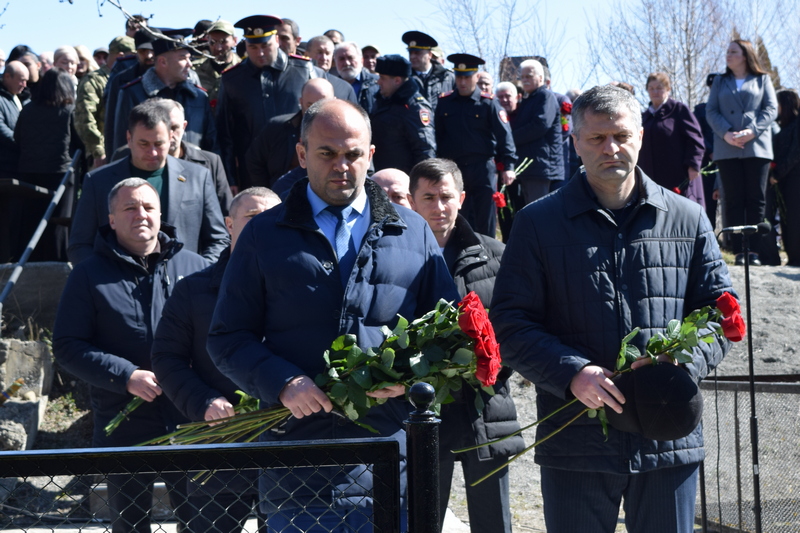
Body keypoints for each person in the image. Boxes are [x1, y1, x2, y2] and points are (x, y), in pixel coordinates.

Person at [490, 84, 735, 533]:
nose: (611, 148)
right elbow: (510, 322)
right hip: (576, 440)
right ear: (575, 142)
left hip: (667, 435)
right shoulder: (537, 223)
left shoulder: (688, 218)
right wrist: (572, 373)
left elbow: (722, 313)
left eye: (621, 136)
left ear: (639, 137)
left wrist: (682, 362)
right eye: (597, 138)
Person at [207, 99, 458, 532]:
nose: (341, 165)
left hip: (391, 461)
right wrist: (283, 382)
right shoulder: (264, 234)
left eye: (353, 153)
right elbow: (227, 338)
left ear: (371, 154)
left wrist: (413, 379)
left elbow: (448, 332)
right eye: (327, 153)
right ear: (302, 154)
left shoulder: (412, 230)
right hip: (298, 463)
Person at [53, 178, 206, 533]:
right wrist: (125, 376)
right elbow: (67, 345)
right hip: (124, 420)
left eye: (149, 207)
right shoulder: (88, 275)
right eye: (130, 207)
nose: (141, 214)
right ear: (111, 219)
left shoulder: (196, 268)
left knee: (200, 521)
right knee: (129, 524)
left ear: (161, 214)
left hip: (190, 417)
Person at [151, 187, 280, 533]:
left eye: (274, 217)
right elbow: (167, 358)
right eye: (253, 217)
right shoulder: (193, 291)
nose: (264, 225)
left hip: (287, 442)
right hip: (220, 444)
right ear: (229, 225)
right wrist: (203, 402)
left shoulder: (305, 288)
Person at [408, 158, 523, 533]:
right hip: (425, 411)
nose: (438, 207)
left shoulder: (496, 256)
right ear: (411, 201)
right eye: (428, 198)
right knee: (422, 520)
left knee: (494, 522)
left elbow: (517, 325)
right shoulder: (397, 257)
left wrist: (487, 366)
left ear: (461, 198)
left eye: (446, 197)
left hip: (485, 408)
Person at [68, 99, 228, 264]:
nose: (152, 152)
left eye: (158, 144)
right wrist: (103, 276)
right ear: (129, 138)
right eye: (143, 144)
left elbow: (218, 240)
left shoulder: (198, 177)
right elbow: (80, 244)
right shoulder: (98, 181)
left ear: (171, 138)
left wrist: (199, 272)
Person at [216, 15, 323, 191]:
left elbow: (320, 117)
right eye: (253, 47)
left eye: (266, 46)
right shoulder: (232, 79)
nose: (260, 53)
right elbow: (225, 134)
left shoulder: (303, 70)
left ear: (277, 40)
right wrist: (231, 178)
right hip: (251, 171)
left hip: (297, 166)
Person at [706, 39, 777, 266]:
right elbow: (711, 110)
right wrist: (726, 133)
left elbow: (771, 109)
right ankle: (738, 252)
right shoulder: (720, 81)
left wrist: (753, 131)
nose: (728, 55)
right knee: (733, 199)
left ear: (745, 55)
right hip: (727, 147)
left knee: (756, 199)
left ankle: (754, 251)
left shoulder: (762, 79)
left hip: (756, 146)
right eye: (727, 51)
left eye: (733, 51)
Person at [435, 53, 516, 237]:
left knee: (485, 218)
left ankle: (488, 251)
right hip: (455, 167)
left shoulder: (489, 103)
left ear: (477, 77)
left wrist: (508, 166)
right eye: (459, 77)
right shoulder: (445, 102)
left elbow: (505, 136)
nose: (462, 82)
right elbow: (438, 136)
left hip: (482, 168)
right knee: (457, 215)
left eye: (467, 77)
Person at [112, 99, 233, 215]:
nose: (170, 135)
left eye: (174, 128)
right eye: (144, 144)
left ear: (184, 126)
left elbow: (225, 215)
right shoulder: (124, 158)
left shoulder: (208, 164)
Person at [14, 68, 82, 262]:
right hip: (61, 174)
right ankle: (58, 264)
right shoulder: (70, 111)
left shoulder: (28, 109)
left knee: (31, 221)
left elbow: (18, 138)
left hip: (29, 173)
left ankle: (28, 264)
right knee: (59, 223)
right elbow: (79, 142)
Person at [113, 35, 216, 154]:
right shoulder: (132, 93)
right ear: (163, 61)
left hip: (192, 165)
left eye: (189, 58)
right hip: (149, 164)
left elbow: (212, 142)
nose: (190, 64)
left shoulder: (199, 96)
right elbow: (122, 144)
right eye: (183, 58)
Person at [244, 78, 334, 188]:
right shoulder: (277, 128)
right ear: (301, 102)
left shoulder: (346, 132)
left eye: (322, 105)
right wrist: (267, 192)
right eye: (310, 106)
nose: (316, 112)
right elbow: (254, 160)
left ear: (334, 101)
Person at [639, 72, 706, 208]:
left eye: (659, 88)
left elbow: (695, 140)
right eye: (651, 88)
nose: (655, 92)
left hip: (679, 177)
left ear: (668, 89)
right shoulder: (645, 117)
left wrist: (693, 165)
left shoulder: (679, 110)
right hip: (652, 177)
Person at [75, 36, 136, 169]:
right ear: (121, 56)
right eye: (133, 56)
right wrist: (98, 150)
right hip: (104, 155)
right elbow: (84, 118)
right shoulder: (94, 80)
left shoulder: (131, 78)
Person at [371, 54, 436, 174]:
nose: (378, 82)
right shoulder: (382, 100)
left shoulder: (414, 107)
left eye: (382, 78)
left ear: (397, 81)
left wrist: (419, 181)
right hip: (381, 174)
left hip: (404, 179)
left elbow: (425, 150)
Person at [512, 59, 563, 204]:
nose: (524, 80)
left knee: (540, 210)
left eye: (529, 76)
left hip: (542, 166)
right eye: (522, 77)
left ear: (541, 78)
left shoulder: (545, 96)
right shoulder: (529, 99)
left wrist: (511, 139)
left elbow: (540, 125)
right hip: (532, 166)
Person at [0, 60, 27, 260]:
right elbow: (2, 129)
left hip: (16, 168)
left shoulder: (17, 99)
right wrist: (21, 143)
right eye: (21, 80)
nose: (24, 85)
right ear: (7, 76)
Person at [771, 89, 800, 266]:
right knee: (786, 218)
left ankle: (796, 257)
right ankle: (792, 255)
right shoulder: (782, 124)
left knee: (795, 218)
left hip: (795, 179)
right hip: (785, 180)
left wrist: (777, 174)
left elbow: (796, 152)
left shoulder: (797, 124)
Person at [402, 31, 454, 112]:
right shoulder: (404, 79)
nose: (412, 56)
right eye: (410, 53)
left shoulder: (448, 78)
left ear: (429, 54)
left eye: (417, 53)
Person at [194, 19, 240, 106]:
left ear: (235, 41)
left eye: (223, 42)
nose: (218, 48)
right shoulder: (195, 69)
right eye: (213, 42)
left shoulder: (243, 69)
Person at [334, 41, 379, 113]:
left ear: (361, 60)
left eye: (350, 58)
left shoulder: (377, 83)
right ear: (335, 62)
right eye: (341, 59)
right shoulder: (332, 87)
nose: (346, 63)